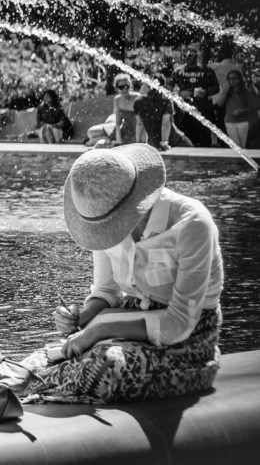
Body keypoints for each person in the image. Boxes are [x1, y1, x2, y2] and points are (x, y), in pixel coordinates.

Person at [23, 144, 223, 404]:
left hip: (189, 343)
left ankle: (21, 389)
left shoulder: (192, 223)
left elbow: (180, 322)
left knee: (106, 366)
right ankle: (18, 383)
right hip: (122, 324)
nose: (106, 232)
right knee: (40, 359)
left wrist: (99, 330)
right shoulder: (103, 218)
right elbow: (106, 293)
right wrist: (80, 318)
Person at [170, 48, 220, 147]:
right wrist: (179, 93)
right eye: (185, 55)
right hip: (183, 112)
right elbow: (168, 90)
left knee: (204, 140)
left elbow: (216, 88)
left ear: (197, 56)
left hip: (203, 111)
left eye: (190, 55)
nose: (187, 57)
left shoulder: (207, 70)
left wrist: (205, 92)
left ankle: (205, 161)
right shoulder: (178, 71)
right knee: (186, 140)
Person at [134, 74, 193, 150]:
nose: (142, 85)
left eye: (144, 83)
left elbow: (140, 124)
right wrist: (164, 142)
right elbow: (165, 123)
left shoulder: (139, 102)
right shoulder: (165, 100)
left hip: (173, 143)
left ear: (150, 86)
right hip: (173, 141)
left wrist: (164, 142)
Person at [213, 70, 258, 149]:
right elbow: (219, 104)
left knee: (242, 145)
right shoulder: (227, 92)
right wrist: (225, 92)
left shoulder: (246, 92)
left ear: (239, 79)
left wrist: (241, 111)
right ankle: (238, 160)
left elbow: (253, 107)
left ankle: (242, 161)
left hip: (243, 121)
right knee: (235, 145)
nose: (233, 80)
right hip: (229, 121)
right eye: (230, 79)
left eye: (235, 78)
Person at [112, 74, 141, 145]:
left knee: (98, 141)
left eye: (126, 86)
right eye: (121, 87)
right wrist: (118, 137)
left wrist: (139, 140)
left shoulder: (136, 98)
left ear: (130, 86)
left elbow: (141, 123)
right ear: (116, 88)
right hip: (125, 130)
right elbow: (118, 122)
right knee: (91, 133)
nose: (124, 89)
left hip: (136, 131)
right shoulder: (117, 99)